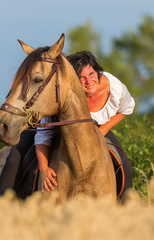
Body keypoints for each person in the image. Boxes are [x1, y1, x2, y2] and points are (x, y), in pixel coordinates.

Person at [35, 51, 135, 197]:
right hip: (63, 133)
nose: (89, 81)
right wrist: (44, 168)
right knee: (22, 163)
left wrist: (101, 132)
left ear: (97, 71)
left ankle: (125, 212)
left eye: (92, 74)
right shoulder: (61, 96)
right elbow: (44, 133)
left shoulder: (114, 88)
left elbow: (127, 108)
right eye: (81, 78)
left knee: (126, 170)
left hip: (99, 129)